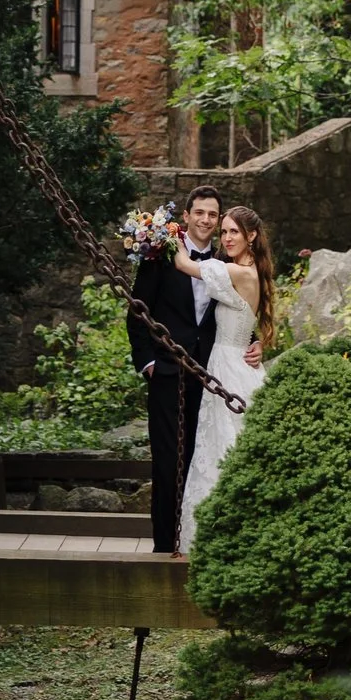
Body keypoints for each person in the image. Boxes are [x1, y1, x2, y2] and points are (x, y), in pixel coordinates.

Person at [172, 205, 276, 553]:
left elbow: (184, 265)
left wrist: (165, 233)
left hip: (231, 367)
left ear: (252, 237)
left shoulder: (240, 272)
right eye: (225, 231)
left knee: (228, 445)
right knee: (217, 445)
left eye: (235, 232)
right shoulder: (244, 270)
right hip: (229, 360)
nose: (227, 238)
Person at [130, 186, 224, 553]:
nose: (205, 220)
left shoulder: (221, 262)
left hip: (210, 376)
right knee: (169, 461)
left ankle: (196, 542)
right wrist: (148, 363)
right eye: (199, 212)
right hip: (167, 374)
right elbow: (138, 311)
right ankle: (164, 544)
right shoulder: (160, 255)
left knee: (203, 457)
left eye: (212, 215)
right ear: (185, 215)